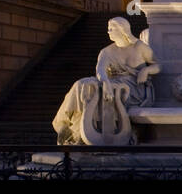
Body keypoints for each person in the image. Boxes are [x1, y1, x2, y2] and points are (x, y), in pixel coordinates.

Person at [52, 17, 158, 145]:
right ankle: (66, 123)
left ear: (122, 29)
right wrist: (105, 81)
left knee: (105, 92)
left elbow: (158, 65)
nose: (108, 31)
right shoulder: (106, 52)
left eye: (111, 28)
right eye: (108, 28)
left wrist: (145, 71)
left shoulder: (140, 47)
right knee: (82, 84)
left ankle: (101, 133)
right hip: (111, 83)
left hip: (134, 88)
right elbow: (100, 70)